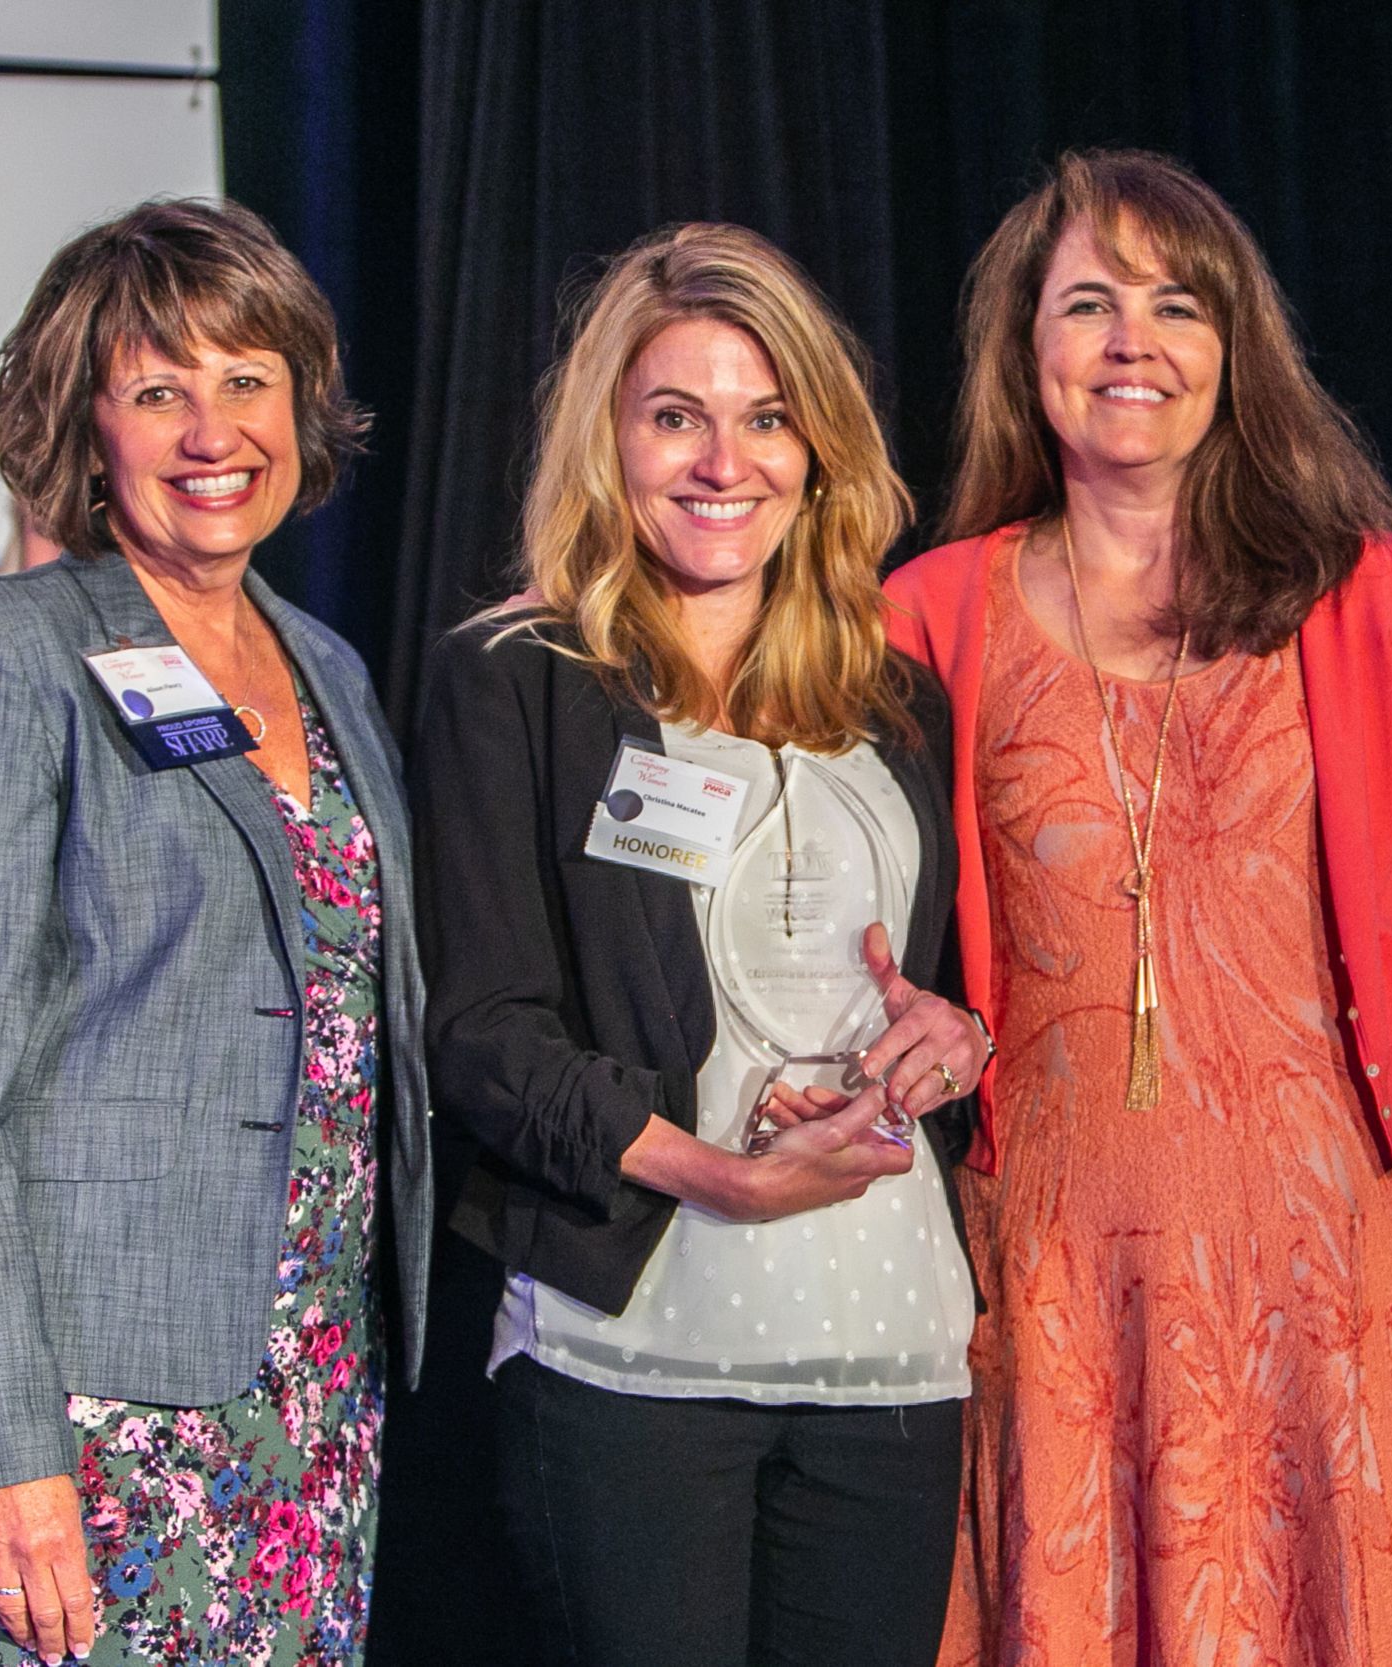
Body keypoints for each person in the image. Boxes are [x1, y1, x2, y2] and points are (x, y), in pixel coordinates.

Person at [885, 150, 1392, 1663]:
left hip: (1347, 1263)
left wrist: (1349, 1046)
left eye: (1178, 305)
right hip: (1061, 1268)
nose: (1135, 341)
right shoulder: (927, 611)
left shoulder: (1370, 592)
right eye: (1091, 303)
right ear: (1024, 344)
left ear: (1235, 348)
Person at [418, 222, 991, 1667]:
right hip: (637, 1345)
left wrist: (951, 1038)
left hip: (888, 1345)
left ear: (818, 450)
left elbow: (951, 988)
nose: (724, 461)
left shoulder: (894, 694)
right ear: (609, 441)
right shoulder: (519, 682)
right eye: (675, 416)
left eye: (765, 416)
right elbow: (484, 1031)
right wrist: (719, 1168)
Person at [0, 198, 431, 1667]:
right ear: (87, 424)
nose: (213, 427)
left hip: (312, 1398)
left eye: (247, 378)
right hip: (88, 1417)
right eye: (159, 388)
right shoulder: (3, 649)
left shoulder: (330, 670)